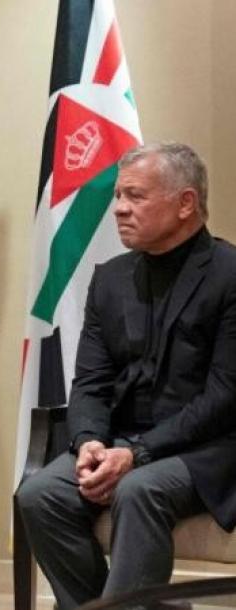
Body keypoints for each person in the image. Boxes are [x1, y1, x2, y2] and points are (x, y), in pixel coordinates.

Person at [16, 142, 236, 609]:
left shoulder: (229, 273)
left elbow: (225, 396)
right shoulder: (111, 279)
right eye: (118, 195)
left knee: (138, 489)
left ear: (185, 203)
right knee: (39, 494)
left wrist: (137, 454)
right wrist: (89, 442)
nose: (118, 208)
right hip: (121, 441)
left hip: (208, 450)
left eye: (135, 196)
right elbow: (90, 382)